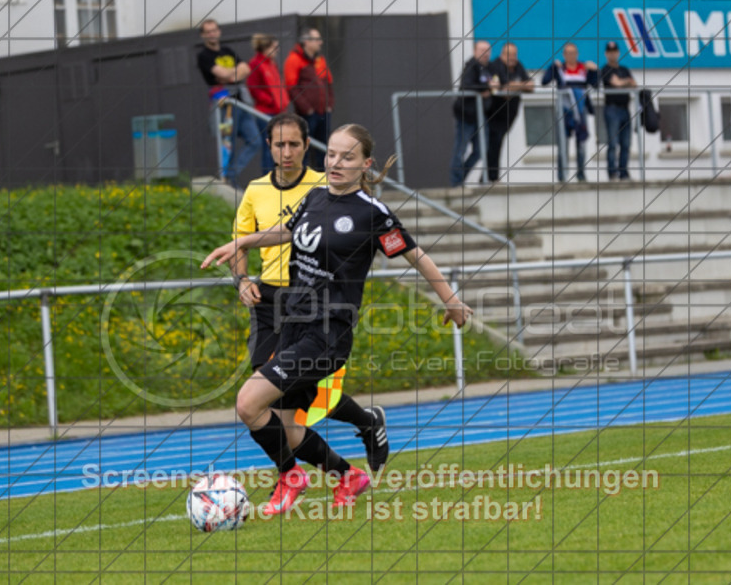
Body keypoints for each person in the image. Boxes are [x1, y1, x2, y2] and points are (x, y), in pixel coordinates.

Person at [202, 124, 473, 514]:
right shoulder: (315, 196)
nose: (336, 163)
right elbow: (287, 231)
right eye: (331, 154)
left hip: (327, 333)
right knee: (287, 427)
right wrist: (241, 242)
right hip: (293, 323)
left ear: (366, 164)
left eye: (347, 157)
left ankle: (291, 476)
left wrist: (451, 300)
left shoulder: (373, 214)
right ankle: (349, 477)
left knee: (248, 403)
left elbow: (417, 257)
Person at [230, 113, 390, 477]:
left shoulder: (327, 183)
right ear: (268, 147)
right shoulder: (255, 190)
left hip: (314, 305)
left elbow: (364, 222)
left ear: (307, 146)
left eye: (294, 144)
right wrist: (241, 280)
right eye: (279, 144)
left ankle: (361, 428)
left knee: (302, 391)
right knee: (269, 394)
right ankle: (303, 474)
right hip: (269, 303)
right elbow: (241, 241)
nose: (286, 152)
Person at [197, 19, 259, 188]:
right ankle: (228, 181)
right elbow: (225, 74)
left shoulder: (228, 51)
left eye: (214, 30)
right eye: (208, 31)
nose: (212, 34)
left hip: (241, 103)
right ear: (203, 35)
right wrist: (234, 73)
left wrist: (230, 74)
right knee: (227, 144)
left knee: (255, 140)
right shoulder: (204, 56)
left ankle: (232, 174)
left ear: (219, 31)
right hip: (224, 106)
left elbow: (246, 69)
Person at [542, 42, 598, 182]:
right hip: (564, 111)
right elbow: (544, 81)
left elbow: (596, 85)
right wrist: (552, 67)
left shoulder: (584, 68)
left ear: (577, 54)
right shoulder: (559, 68)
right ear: (564, 55)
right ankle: (562, 177)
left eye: (573, 53)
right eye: (568, 53)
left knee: (581, 143)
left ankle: (581, 175)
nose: (571, 55)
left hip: (581, 111)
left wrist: (594, 71)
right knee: (563, 144)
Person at [285, 27, 334, 171]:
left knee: (323, 149)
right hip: (307, 115)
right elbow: (291, 87)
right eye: (317, 39)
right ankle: (302, 179)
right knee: (303, 148)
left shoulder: (320, 60)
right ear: (306, 41)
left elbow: (328, 82)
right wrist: (307, 108)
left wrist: (329, 104)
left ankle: (323, 179)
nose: (320, 42)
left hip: (323, 112)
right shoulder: (294, 59)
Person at [451, 41, 498, 187]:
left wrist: (489, 89)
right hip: (466, 114)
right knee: (460, 150)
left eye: (487, 50)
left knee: (480, 150)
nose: (485, 53)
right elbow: (467, 86)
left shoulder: (490, 68)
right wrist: (485, 88)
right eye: (482, 50)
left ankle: (461, 177)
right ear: (475, 51)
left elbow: (497, 83)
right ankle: (456, 183)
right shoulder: (471, 66)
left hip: (481, 115)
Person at [485, 42, 533, 183]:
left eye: (514, 55)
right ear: (502, 54)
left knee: (497, 144)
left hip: (510, 114)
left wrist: (514, 85)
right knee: (493, 144)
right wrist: (520, 85)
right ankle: (491, 178)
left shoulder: (518, 66)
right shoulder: (495, 66)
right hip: (495, 114)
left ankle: (488, 177)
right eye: (509, 55)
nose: (512, 58)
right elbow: (505, 91)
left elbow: (531, 86)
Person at [247, 34, 289, 174]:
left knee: (278, 148)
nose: (277, 50)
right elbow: (254, 88)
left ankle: (277, 176)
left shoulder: (271, 63)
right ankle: (268, 177)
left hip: (277, 111)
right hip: (265, 112)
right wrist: (270, 101)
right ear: (265, 48)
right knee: (269, 149)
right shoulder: (255, 64)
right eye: (274, 47)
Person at [600, 41, 636, 181]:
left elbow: (634, 85)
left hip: (625, 109)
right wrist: (625, 82)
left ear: (618, 53)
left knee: (626, 144)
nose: (612, 54)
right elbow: (617, 84)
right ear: (606, 54)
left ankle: (623, 173)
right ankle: (612, 173)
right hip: (612, 109)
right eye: (610, 52)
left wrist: (623, 82)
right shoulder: (605, 69)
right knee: (613, 143)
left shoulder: (624, 69)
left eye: (614, 51)